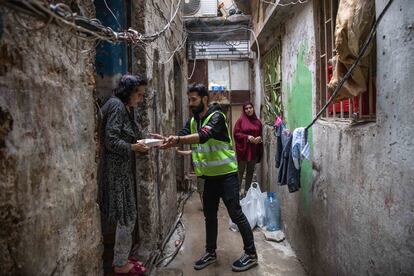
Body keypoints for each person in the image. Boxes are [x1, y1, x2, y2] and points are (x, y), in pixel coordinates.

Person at [160, 83, 258, 272]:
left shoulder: (217, 117)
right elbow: (181, 135)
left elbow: (204, 136)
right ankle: (210, 252)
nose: (190, 103)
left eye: (193, 99)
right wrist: (165, 140)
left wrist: (178, 140)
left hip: (227, 175)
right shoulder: (194, 121)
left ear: (204, 99)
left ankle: (251, 254)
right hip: (209, 177)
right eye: (189, 100)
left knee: (236, 213)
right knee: (209, 216)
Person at [98, 74, 149, 276]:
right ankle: (120, 264)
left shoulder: (123, 107)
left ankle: (122, 258)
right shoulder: (117, 106)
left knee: (126, 215)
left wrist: (145, 140)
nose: (141, 99)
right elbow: (110, 140)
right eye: (139, 94)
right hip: (116, 171)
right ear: (129, 92)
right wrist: (133, 147)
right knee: (126, 217)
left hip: (120, 170)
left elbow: (128, 133)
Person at [233, 102, 263, 194]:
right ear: (244, 110)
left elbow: (260, 134)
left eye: (250, 108)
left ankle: (247, 192)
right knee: (240, 172)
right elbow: (236, 134)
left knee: (250, 171)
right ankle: (236, 193)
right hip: (243, 150)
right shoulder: (240, 121)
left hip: (253, 150)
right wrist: (247, 137)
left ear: (253, 108)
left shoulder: (258, 122)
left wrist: (259, 138)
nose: (248, 110)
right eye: (246, 108)